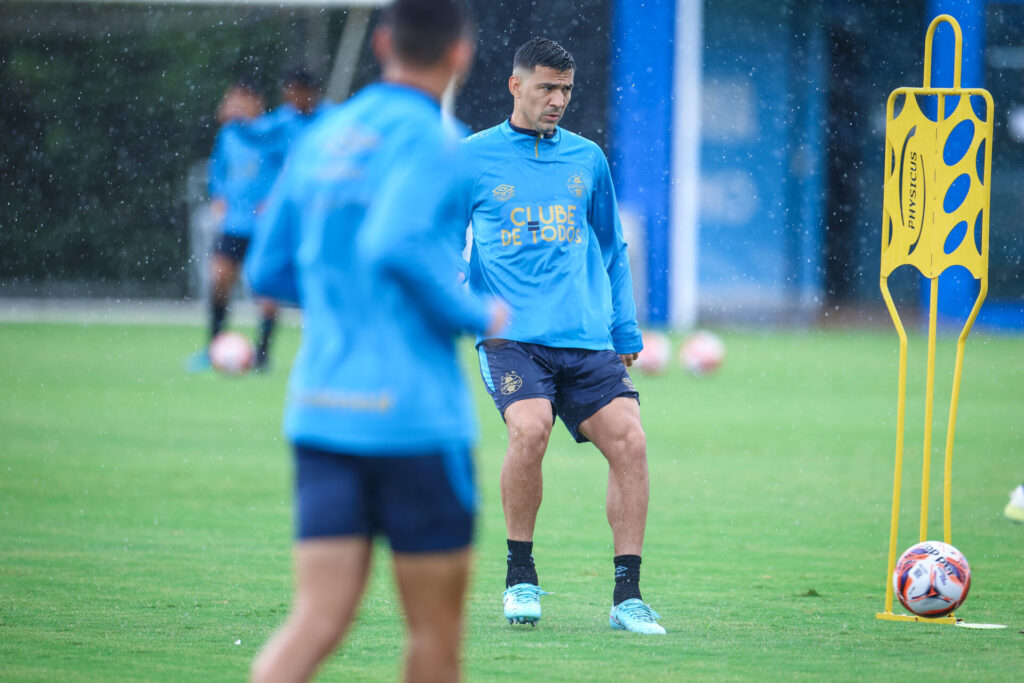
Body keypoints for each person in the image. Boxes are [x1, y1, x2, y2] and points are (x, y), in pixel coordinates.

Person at [246, 2, 505, 681]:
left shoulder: (325, 137)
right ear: (461, 54)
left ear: (384, 42)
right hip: (413, 421)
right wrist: (474, 311)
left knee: (317, 621)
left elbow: (266, 270)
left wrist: (346, 301)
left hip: (324, 412)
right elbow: (392, 242)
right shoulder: (440, 142)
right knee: (434, 639)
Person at [461, 37, 665, 634]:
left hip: (584, 336)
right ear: (515, 85)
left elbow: (611, 245)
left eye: (567, 90)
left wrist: (624, 325)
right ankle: (520, 577)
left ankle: (627, 596)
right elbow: (441, 245)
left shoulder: (587, 158)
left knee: (630, 442)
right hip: (510, 336)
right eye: (547, 88)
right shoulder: (473, 159)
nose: (558, 100)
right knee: (530, 429)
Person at [188, 69, 323, 373]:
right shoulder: (230, 133)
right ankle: (214, 348)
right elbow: (218, 171)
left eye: (242, 99)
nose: (236, 104)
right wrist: (219, 196)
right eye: (233, 99)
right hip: (234, 223)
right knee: (220, 278)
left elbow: (290, 164)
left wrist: (275, 200)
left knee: (265, 290)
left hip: (265, 225)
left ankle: (262, 355)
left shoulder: (275, 129)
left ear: (257, 102)